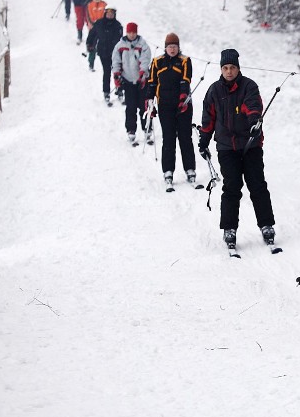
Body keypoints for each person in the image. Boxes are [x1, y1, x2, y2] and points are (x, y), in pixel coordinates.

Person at [198, 49, 276, 250]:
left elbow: (252, 107)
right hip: (226, 148)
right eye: (225, 68)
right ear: (221, 69)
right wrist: (204, 140)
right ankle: (229, 229)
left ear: (238, 68)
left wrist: (253, 123)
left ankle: (266, 225)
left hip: (250, 144)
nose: (229, 71)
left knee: (257, 185)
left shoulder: (248, 86)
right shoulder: (214, 90)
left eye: (232, 67)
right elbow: (208, 118)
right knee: (231, 188)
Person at [147, 33, 197, 190]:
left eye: (175, 46)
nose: (172, 49)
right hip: (165, 106)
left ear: (178, 47)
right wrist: (149, 101)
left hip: (183, 106)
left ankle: (190, 170)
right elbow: (152, 82)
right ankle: (168, 171)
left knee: (185, 138)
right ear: (165, 47)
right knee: (168, 139)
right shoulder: (157, 62)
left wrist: (183, 97)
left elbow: (186, 79)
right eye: (170, 47)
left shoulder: (185, 61)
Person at [112, 23, 152, 144]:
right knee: (131, 107)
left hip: (142, 81)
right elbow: (116, 60)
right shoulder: (120, 45)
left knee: (144, 106)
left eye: (134, 32)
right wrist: (117, 74)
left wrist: (142, 72)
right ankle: (131, 130)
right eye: (130, 32)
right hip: (128, 80)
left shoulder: (143, 44)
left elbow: (145, 59)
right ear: (126, 32)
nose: (132, 34)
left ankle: (147, 128)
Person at [86, 5, 122, 103]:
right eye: (108, 13)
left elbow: (120, 39)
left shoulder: (118, 25)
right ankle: (106, 92)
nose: (110, 15)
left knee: (118, 71)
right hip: (103, 52)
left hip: (115, 53)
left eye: (112, 14)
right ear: (105, 13)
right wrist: (89, 44)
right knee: (106, 72)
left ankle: (119, 90)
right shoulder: (99, 23)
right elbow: (92, 34)